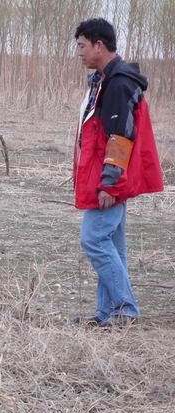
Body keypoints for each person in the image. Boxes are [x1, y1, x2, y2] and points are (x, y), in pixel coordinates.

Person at [72, 18, 164, 327]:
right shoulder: (103, 80)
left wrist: (109, 184)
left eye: (83, 46)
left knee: (94, 239)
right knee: (112, 246)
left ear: (99, 45)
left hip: (110, 179)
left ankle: (125, 309)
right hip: (107, 176)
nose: (80, 53)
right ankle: (108, 313)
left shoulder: (119, 83)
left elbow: (120, 137)